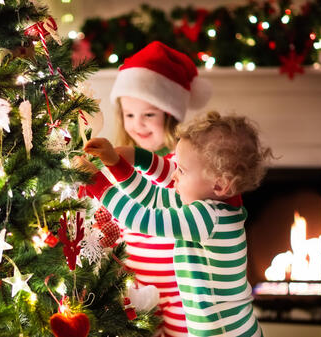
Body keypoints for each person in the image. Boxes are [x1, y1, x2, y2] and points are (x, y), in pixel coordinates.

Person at [79, 111, 272, 336]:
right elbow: (154, 198)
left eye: (181, 170)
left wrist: (98, 184)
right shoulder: (214, 203)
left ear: (220, 185)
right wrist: (119, 163)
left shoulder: (208, 219)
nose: (174, 176)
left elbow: (143, 219)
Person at [102, 41, 212, 337]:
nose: (138, 124)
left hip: (179, 285)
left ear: (169, 114)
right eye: (129, 115)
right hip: (135, 283)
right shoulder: (117, 165)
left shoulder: (182, 164)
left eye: (148, 114)